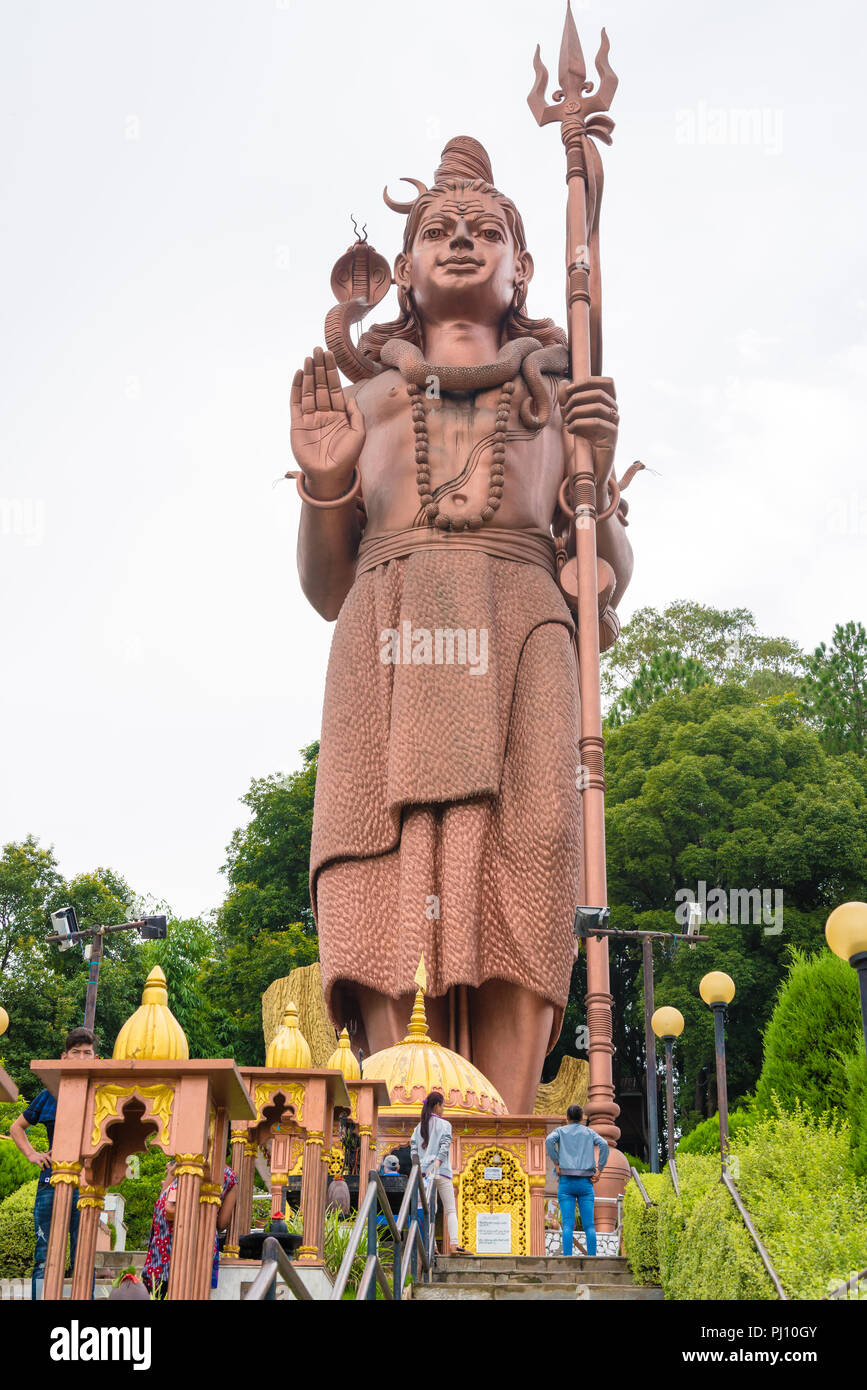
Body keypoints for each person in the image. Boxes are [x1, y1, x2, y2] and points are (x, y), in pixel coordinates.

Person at [297, 136, 634, 1115]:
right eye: (437, 231)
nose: (458, 242)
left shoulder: (562, 400)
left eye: (485, 231)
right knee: (383, 868)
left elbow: (605, 569)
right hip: (388, 639)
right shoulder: (363, 399)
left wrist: (596, 482)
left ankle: (507, 1133)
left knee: (523, 865)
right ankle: (403, 1132)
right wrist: (325, 482)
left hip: (523, 631)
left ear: (522, 267)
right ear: (403, 268)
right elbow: (325, 585)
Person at [10, 1026, 97, 1299]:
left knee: (83, 1258)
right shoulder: (49, 1094)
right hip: (51, 1181)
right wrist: (33, 1154)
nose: (82, 1058)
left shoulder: (103, 1093)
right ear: (64, 1056)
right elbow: (17, 1127)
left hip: (87, 1184)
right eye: (75, 1052)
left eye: (87, 1053)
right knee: (45, 1256)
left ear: (95, 1058)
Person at [142, 1162, 237, 1298]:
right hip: (197, 1243)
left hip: (162, 1245)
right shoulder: (229, 1176)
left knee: (159, 1290)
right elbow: (222, 1222)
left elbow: (161, 1202)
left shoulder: (184, 1160)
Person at [545, 1103, 609, 1257]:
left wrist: (557, 1162)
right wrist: (600, 1169)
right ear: (582, 1118)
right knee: (589, 1226)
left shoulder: (560, 1131)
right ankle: (592, 1258)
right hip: (585, 1183)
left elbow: (548, 1141)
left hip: (566, 1182)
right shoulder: (589, 1133)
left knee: (567, 1224)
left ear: (567, 1118)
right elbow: (604, 1144)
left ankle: (568, 1258)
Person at [409, 1091, 467, 1255]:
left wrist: (421, 1168)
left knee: (429, 1210)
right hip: (441, 1172)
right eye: (442, 1105)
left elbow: (413, 1151)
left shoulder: (418, 1128)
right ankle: (454, 1245)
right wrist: (436, 1165)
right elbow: (444, 1147)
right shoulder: (445, 1125)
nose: (443, 1109)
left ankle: (432, 1246)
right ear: (437, 1105)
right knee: (450, 1210)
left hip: (425, 1175)